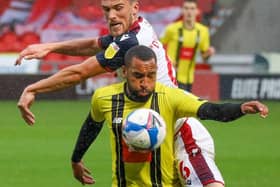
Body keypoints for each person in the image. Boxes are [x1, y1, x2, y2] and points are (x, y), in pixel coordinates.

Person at [15, 0, 233, 186]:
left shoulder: (133, 41)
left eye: (118, 7)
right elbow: (93, 44)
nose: (111, 15)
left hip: (180, 134)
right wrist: (50, 47)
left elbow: (79, 73)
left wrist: (33, 88)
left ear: (134, 8)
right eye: (106, 9)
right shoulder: (133, 30)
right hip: (153, 137)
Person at [70, 45, 269, 186]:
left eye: (151, 75)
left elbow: (210, 110)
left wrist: (241, 108)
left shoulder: (169, 97)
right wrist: (76, 159)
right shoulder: (104, 97)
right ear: (124, 71)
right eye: (138, 76)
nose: (145, 83)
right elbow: (92, 125)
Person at [160, 0, 215, 92]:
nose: (189, 12)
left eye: (192, 8)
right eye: (186, 8)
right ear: (182, 11)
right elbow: (157, 46)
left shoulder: (203, 31)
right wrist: (166, 60)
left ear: (197, 11)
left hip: (189, 78)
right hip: (171, 76)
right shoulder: (171, 29)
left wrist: (209, 53)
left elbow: (204, 58)